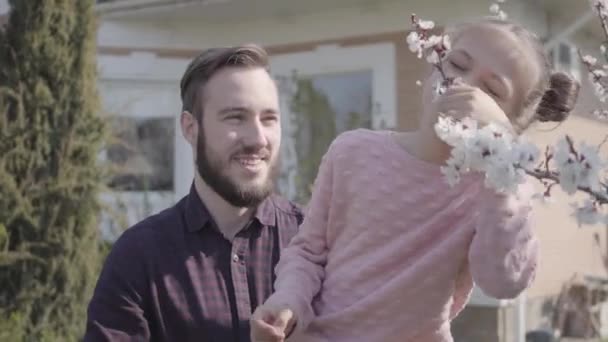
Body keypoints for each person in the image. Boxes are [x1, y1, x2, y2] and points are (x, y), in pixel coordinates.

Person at [250, 18, 580, 342]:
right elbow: (308, 252)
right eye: (458, 64)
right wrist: (288, 300)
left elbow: (504, 280)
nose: (462, 86)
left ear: (510, 125)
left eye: (491, 91)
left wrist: (505, 163)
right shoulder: (353, 152)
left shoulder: (494, 191)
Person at [84, 44, 303, 342]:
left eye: (269, 119)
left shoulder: (314, 242)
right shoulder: (139, 258)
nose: (257, 138)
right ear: (190, 128)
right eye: (235, 117)